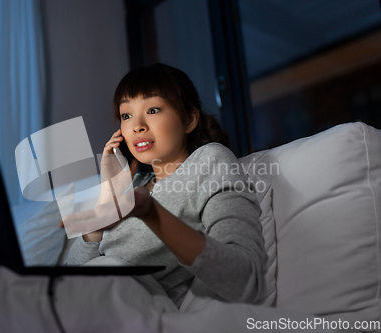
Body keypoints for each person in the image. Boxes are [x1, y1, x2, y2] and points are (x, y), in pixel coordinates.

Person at [64, 63, 266, 308]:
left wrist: (152, 214)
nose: (137, 125)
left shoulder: (210, 160)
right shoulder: (134, 184)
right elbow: (68, 282)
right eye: (126, 115)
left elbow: (245, 280)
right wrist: (108, 198)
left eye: (153, 109)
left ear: (190, 119)